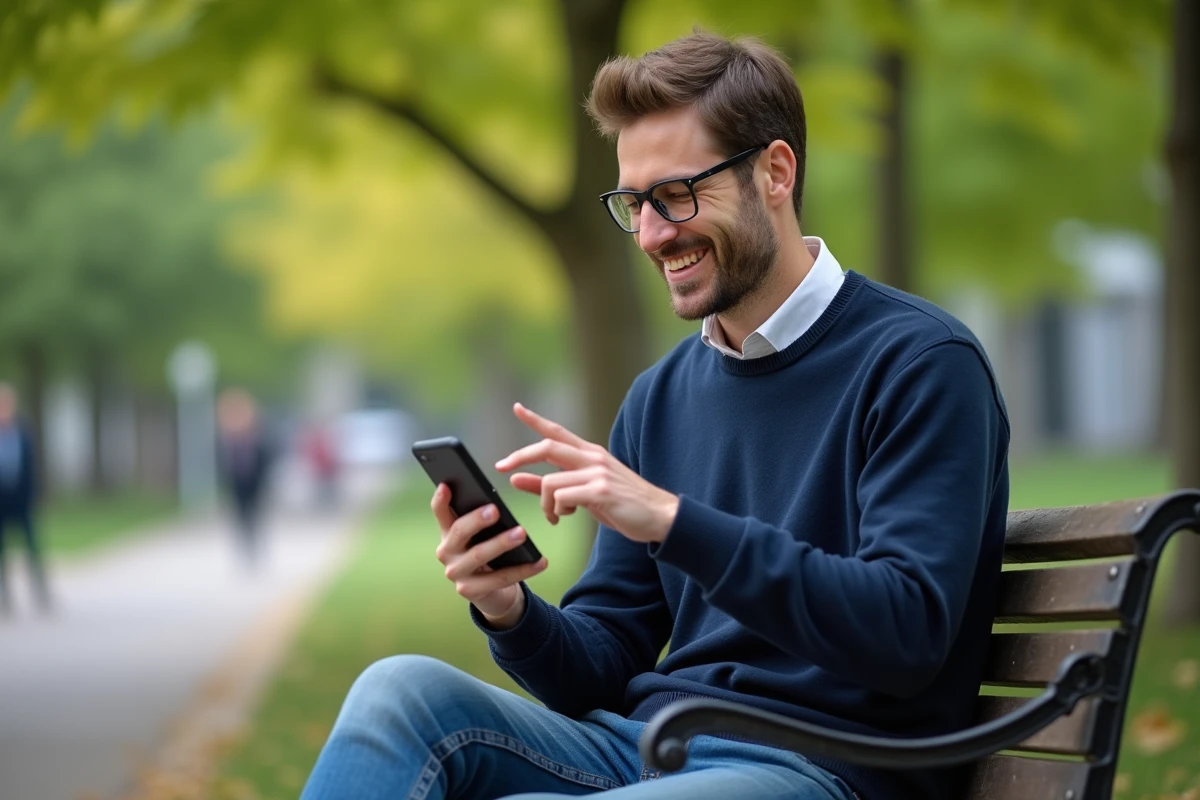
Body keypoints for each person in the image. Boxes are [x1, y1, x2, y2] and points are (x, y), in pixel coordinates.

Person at [302, 31, 1009, 800]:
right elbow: (602, 663)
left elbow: (904, 633)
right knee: (395, 692)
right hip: (650, 749)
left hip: (820, 769)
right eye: (633, 203)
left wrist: (674, 521)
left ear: (775, 172)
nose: (650, 234)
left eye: (676, 195)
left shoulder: (921, 363)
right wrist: (508, 611)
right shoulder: (660, 397)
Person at [0, 383, 52, 616]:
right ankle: (6, 598)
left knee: (33, 548)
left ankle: (40, 594)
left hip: (22, 500)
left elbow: (31, 467)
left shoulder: (23, 431)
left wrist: (33, 496)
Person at [216, 388, 274, 568]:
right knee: (240, 517)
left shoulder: (257, 438)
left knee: (255, 517)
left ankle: (254, 548)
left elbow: (266, 460)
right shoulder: (226, 440)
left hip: (254, 485)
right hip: (236, 485)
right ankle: (244, 548)